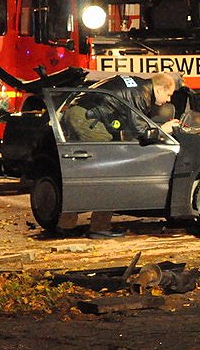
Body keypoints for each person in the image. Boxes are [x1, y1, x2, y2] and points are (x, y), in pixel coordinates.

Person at [59, 72, 177, 238]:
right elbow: (141, 130)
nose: (169, 99)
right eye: (168, 94)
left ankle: (66, 223)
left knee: (86, 171)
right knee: (110, 169)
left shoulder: (137, 86)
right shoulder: (141, 94)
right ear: (159, 88)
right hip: (85, 117)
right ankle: (99, 227)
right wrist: (164, 130)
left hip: (79, 113)